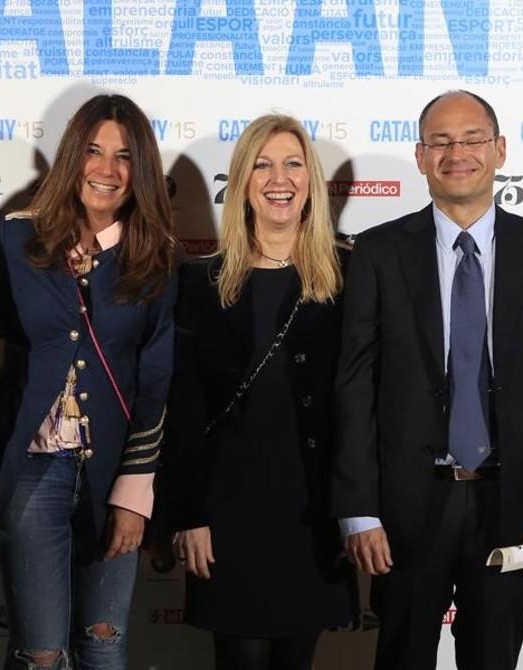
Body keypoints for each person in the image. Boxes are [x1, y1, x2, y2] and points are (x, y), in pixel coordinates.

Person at [332, 90, 523, 670]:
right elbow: (354, 387)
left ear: (499, 150)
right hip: (404, 506)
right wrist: (360, 510)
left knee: (494, 658)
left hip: (512, 504)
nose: (458, 153)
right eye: (441, 142)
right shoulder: (377, 251)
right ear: (421, 157)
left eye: (473, 139)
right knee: (400, 656)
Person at [0, 93, 178, 670]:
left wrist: (134, 494)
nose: (107, 169)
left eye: (124, 157)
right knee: (42, 651)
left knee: (103, 640)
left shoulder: (158, 257)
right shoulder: (16, 240)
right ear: (72, 156)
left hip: (113, 472)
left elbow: (157, 379)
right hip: (33, 471)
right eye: (94, 151)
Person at [164, 114, 356, 670]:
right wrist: (187, 514)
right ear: (243, 182)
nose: (280, 177)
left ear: (312, 182)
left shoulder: (350, 276)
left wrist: (359, 512)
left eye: (294, 163)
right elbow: (184, 408)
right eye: (264, 164)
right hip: (227, 516)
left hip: (313, 516)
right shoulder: (198, 283)